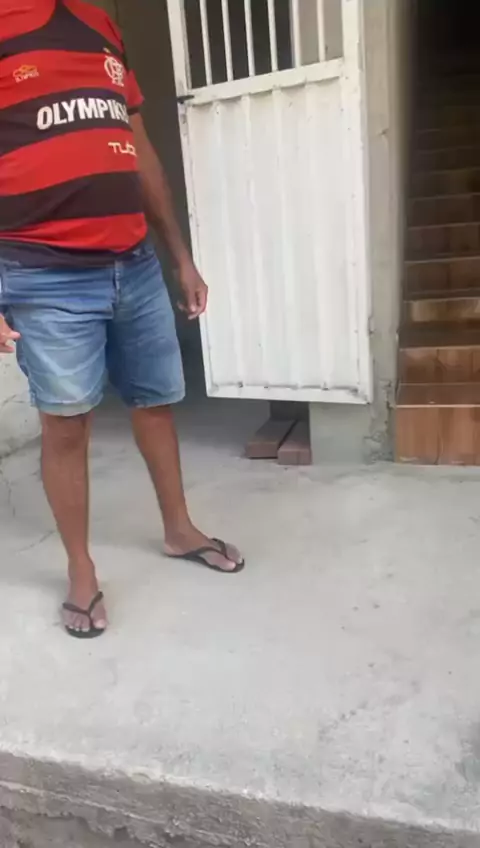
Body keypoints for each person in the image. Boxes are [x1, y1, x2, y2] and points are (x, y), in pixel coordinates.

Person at [0, 0, 244, 639]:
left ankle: (179, 528)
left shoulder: (100, 23)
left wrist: (179, 255)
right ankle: (81, 571)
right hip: (43, 272)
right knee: (66, 423)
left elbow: (136, 146)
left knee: (156, 401)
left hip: (133, 262)